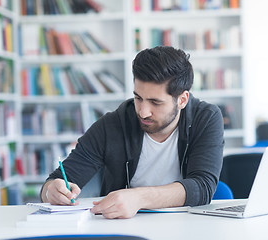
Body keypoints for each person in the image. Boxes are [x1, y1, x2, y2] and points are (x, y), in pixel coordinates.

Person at [40, 46, 224, 219]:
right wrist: (51, 191)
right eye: (138, 98)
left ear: (182, 100)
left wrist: (140, 198)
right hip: (124, 227)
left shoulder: (206, 118)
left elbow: (203, 187)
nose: (143, 112)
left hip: (189, 223)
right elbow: (54, 181)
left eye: (155, 102)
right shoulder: (112, 125)